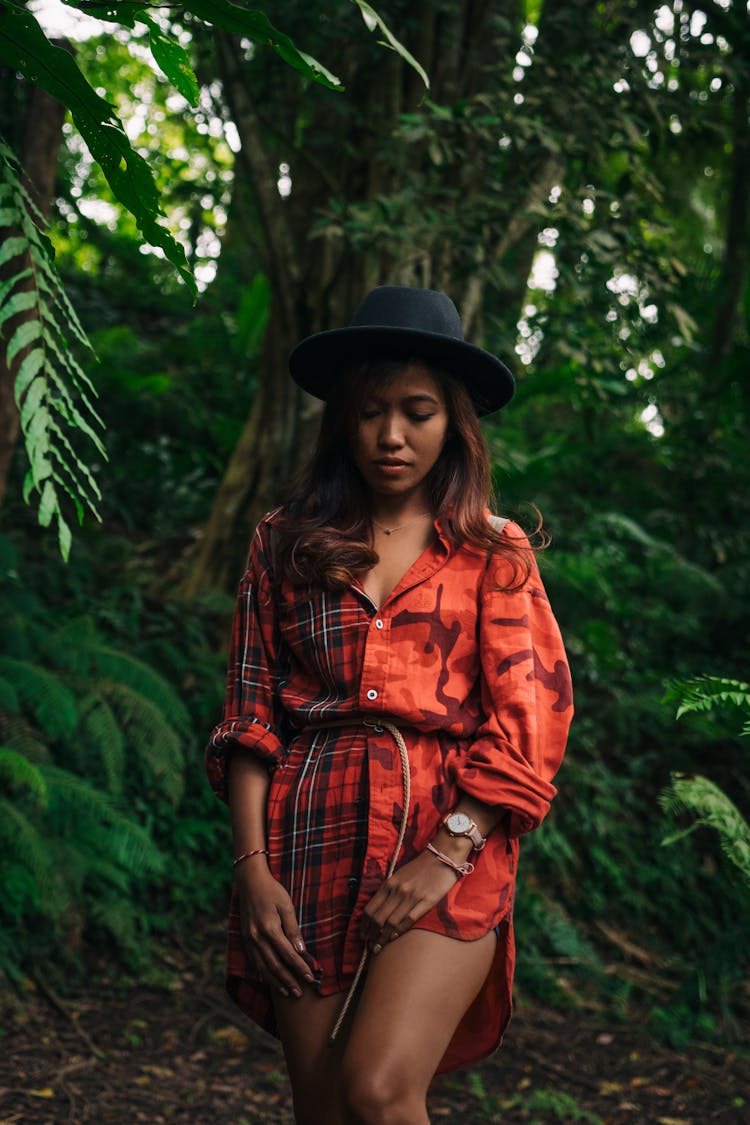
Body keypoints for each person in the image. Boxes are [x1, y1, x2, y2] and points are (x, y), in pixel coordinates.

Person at [205, 285, 573, 1125]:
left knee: (378, 1087)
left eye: (418, 411)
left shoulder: (492, 548)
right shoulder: (283, 538)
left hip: (451, 836)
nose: (393, 435)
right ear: (345, 417)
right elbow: (250, 718)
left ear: (454, 423)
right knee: (325, 1106)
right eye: (372, 410)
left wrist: (447, 852)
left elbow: (533, 717)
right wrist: (252, 872)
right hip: (304, 843)